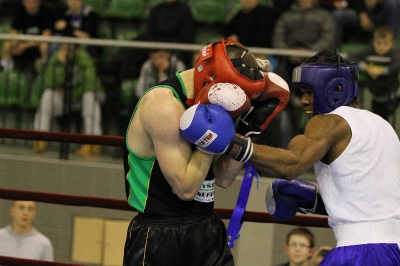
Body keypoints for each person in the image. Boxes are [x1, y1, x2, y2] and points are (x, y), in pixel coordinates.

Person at [122, 38, 289, 266]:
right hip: (160, 234)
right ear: (213, 79)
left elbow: (223, 178)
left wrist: (248, 130)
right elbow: (186, 188)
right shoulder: (162, 105)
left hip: (207, 227)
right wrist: (212, 129)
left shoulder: (217, 97)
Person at [241, 49, 400, 265]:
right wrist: (316, 202)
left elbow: (291, 164)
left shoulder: (329, 122)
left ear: (336, 88)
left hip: (359, 253)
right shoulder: (383, 125)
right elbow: (374, 201)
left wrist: (228, 142)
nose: (304, 101)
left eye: (310, 92)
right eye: (302, 93)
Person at [272, 0, 336, 147]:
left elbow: (328, 40)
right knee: (280, 99)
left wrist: (308, 53)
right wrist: (290, 52)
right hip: (288, 65)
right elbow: (277, 37)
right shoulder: (287, 16)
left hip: (316, 65)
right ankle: (285, 149)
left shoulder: (325, 16)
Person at [32, 39, 104, 157]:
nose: (66, 52)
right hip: (64, 99)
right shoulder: (57, 58)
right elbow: (49, 83)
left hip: (80, 97)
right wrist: (62, 65)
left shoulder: (84, 58)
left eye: (69, 49)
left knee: (90, 97)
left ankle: (93, 142)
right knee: (48, 96)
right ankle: (40, 138)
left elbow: (90, 84)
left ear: (77, 50)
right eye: (63, 48)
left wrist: (70, 93)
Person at [347, 26, 400, 122]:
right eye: (378, 43)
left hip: (392, 97)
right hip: (376, 96)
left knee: (385, 121)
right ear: (373, 42)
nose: (381, 47)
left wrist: (380, 71)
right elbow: (351, 57)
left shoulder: (394, 53)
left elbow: (397, 65)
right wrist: (367, 68)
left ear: (392, 44)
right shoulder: (370, 50)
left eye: (385, 44)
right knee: (376, 121)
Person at [0, 0, 53, 72]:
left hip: (38, 45)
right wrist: (15, 43)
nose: (31, 5)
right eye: (28, 2)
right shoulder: (20, 11)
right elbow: (14, 31)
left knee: (44, 45)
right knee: (7, 45)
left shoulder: (46, 12)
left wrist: (25, 46)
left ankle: (43, 69)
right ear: (23, 2)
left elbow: (46, 36)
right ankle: (6, 71)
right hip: (24, 44)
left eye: (34, 2)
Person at [146, 0, 194, 67]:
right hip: (156, 45)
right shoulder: (157, 9)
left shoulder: (184, 10)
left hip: (175, 48)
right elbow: (149, 32)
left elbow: (186, 36)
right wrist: (157, 48)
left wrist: (166, 50)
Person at [332, 0, 400, 46]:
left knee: (393, 3)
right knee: (338, 15)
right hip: (360, 11)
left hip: (381, 11)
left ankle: (389, 44)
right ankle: (333, 50)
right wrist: (362, 13)